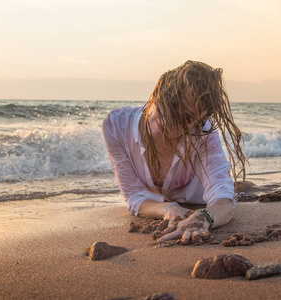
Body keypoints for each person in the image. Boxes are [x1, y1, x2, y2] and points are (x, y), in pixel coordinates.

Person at [102, 60, 246, 244]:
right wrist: (167, 208)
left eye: (186, 118)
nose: (170, 119)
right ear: (157, 93)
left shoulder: (203, 134)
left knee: (237, 188)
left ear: (197, 123)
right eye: (170, 103)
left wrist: (204, 217)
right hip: (168, 202)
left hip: (197, 200)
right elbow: (134, 195)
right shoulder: (116, 126)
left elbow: (224, 201)